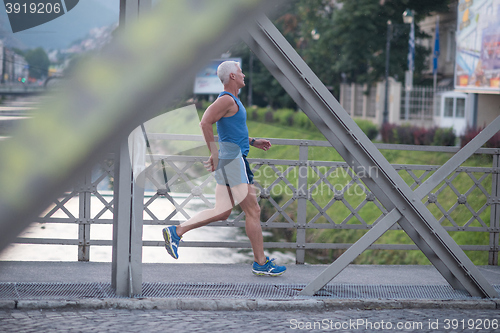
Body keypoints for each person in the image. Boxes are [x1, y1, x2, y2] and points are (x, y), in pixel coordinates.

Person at [162, 60, 286, 276]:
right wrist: (214, 153)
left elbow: (232, 132)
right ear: (232, 76)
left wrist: (253, 141)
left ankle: (177, 231)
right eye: (240, 71)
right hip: (233, 160)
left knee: (222, 212)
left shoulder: (232, 100)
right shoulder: (227, 99)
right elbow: (204, 122)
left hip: (231, 158)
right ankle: (261, 262)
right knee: (253, 211)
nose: (244, 74)